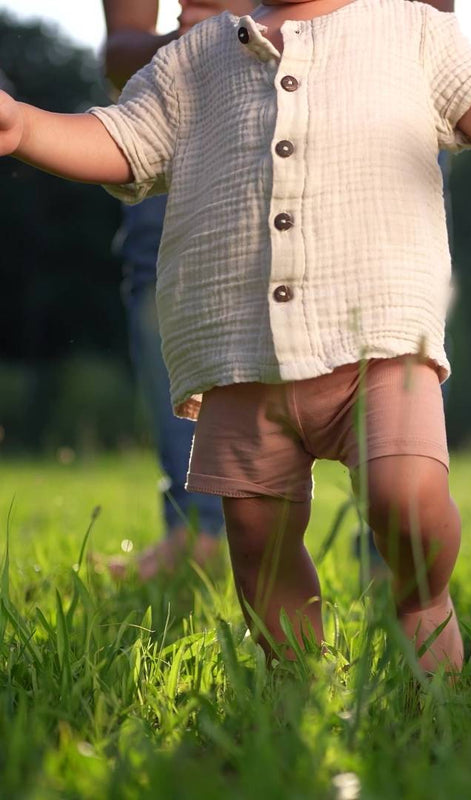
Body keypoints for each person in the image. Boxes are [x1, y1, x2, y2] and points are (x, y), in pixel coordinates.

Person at [0, 0, 471, 672]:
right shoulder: (195, 56)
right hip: (240, 358)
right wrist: (24, 125)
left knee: (406, 499)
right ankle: (289, 677)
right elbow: (119, 141)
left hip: (379, 340)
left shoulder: (410, 29)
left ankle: (421, 603)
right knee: (259, 545)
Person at [100, 1, 258, 581]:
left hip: (366, 85)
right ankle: (200, 531)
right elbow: (121, 49)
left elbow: (433, 17)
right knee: (156, 254)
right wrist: (188, 41)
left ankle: (394, 548)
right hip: (194, 99)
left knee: (395, 273)